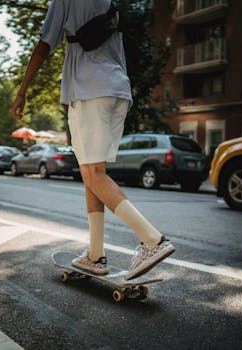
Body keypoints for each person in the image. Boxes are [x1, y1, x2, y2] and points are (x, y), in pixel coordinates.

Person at [10, 0, 175, 280]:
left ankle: (153, 241)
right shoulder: (110, 3)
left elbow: (44, 44)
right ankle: (96, 255)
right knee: (93, 172)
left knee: (93, 173)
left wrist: (22, 90)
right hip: (117, 89)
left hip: (89, 89)